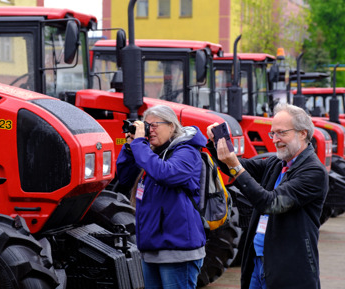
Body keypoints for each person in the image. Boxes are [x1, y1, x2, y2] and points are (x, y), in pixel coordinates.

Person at [206, 103, 328, 289]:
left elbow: (270, 203)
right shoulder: (278, 163)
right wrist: (217, 146)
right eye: (273, 133)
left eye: (281, 133)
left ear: (303, 133)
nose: (275, 139)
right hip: (259, 261)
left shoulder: (313, 172)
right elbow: (241, 166)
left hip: (288, 267)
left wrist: (235, 167)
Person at [116, 105, 207, 289]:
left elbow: (166, 174)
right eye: (146, 125)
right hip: (151, 248)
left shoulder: (187, 151)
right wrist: (129, 147)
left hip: (178, 250)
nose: (150, 130)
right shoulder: (151, 153)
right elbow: (125, 179)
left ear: (172, 126)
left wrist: (140, 146)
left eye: (154, 125)